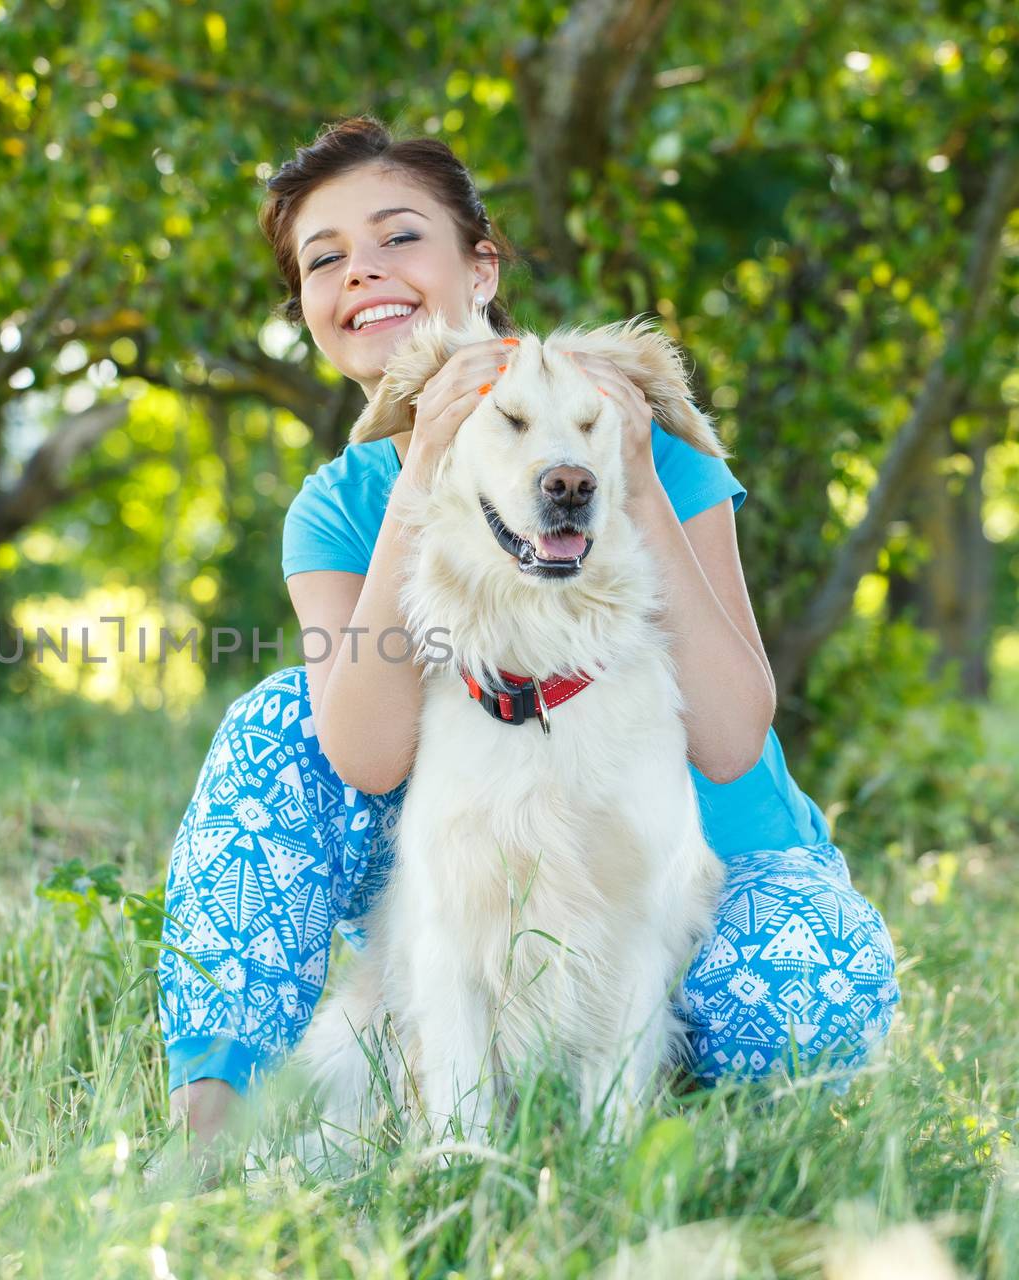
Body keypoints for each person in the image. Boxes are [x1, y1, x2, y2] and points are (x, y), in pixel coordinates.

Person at [157, 116, 899, 1147]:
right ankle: (208, 1141)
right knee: (279, 716)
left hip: (711, 867)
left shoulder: (617, 432)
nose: (361, 271)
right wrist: (421, 471)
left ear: (482, 262)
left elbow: (730, 737)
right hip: (483, 865)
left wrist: (630, 475)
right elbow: (365, 753)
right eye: (323, 260)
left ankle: (686, 1136)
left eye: (398, 235)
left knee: (794, 1005)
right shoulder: (340, 503)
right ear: (312, 315)